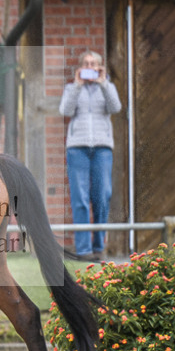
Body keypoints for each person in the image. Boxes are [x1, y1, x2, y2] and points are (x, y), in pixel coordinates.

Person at [58, 50, 122, 261]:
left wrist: (104, 84)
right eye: (86, 63)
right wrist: (77, 85)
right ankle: (84, 250)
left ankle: (98, 246)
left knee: (102, 196)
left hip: (102, 148)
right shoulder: (71, 87)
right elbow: (65, 111)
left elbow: (116, 107)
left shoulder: (108, 86)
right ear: (80, 68)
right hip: (77, 148)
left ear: (99, 67)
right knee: (80, 199)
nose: (90, 66)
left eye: (93, 63)